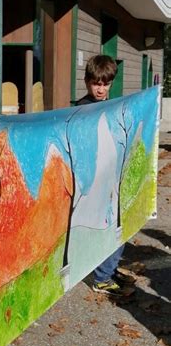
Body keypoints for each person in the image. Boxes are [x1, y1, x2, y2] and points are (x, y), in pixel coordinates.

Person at [76, 55, 135, 296]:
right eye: (95, 84)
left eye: (105, 84)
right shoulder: (81, 109)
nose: (100, 89)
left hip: (112, 178)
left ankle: (108, 269)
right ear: (87, 81)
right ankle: (102, 278)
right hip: (93, 180)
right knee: (111, 227)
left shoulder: (113, 107)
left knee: (120, 226)